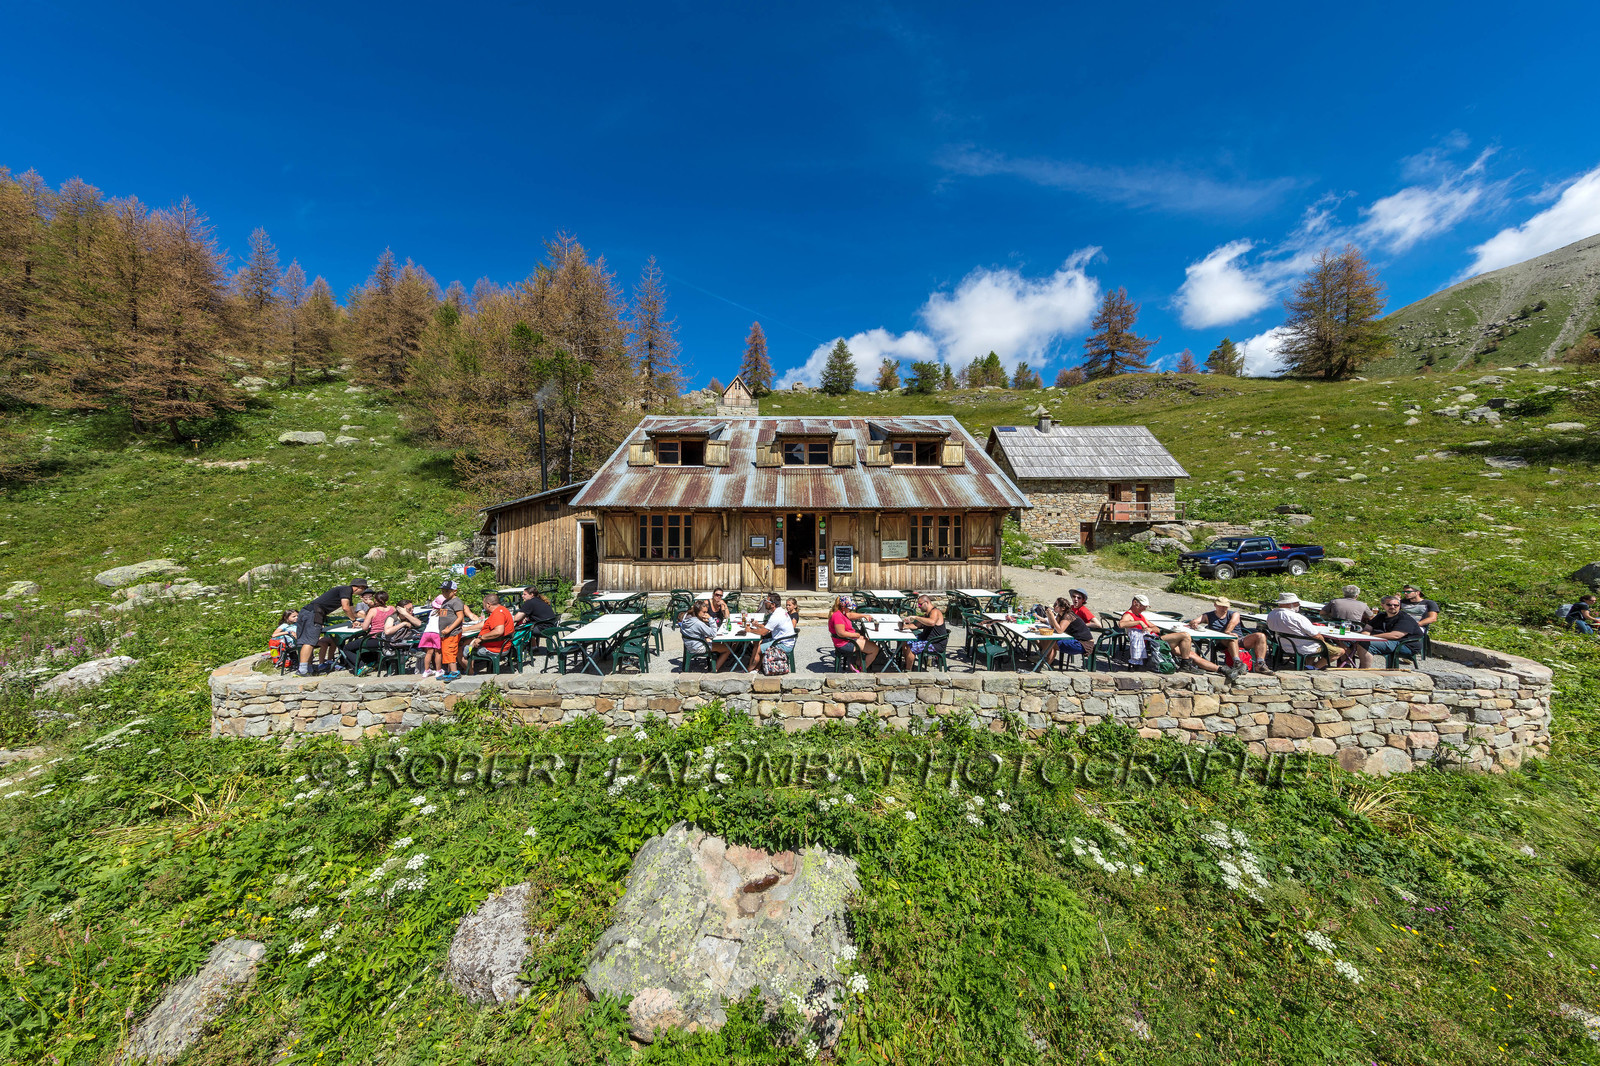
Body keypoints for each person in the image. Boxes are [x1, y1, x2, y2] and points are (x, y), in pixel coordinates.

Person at [294, 577, 368, 676]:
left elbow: (352, 611)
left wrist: (366, 617)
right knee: (310, 641)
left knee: (305, 641)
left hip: (307, 612)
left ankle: (308, 668)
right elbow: (345, 608)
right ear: (359, 587)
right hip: (314, 613)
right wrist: (354, 621)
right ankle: (303, 670)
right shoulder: (346, 590)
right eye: (363, 589)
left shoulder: (345, 593)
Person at [1188, 597, 1272, 675]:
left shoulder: (1234, 614)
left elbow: (1233, 623)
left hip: (1238, 638)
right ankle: (1237, 663)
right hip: (1221, 640)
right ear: (1215, 605)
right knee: (1232, 638)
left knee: (1260, 636)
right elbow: (1195, 621)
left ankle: (1260, 664)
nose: (1223, 609)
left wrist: (1228, 631)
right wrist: (1194, 623)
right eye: (1221, 606)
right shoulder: (1208, 615)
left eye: (1225, 607)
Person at [1351, 595, 1425, 668]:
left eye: (1396, 605)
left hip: (1405, 645)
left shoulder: (1405, 618)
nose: (1393, 607)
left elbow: (1395, 635)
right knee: (1348, 641)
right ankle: (1346, 664)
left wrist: (1370, 637)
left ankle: (1364, 670)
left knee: (1365, 643)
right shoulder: (1381, 616)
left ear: (1399, 606)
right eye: (1389, 605)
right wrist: (1365, 634)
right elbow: (1368, 628)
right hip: (1387, 641)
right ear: (1382, 605)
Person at [1265, 592, 1334, 669]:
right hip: (1304, 647)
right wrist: (1323, 641)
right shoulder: (1297, 617)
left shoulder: (1271, 614)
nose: (1298, 605)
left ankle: (1309, 666)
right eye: (1296, 603)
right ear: (1289, 604)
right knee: (1339, 651)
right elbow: (1316, 636)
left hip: (1284, 645)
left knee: (1313, 641)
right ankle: (1314, 668)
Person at [436, 580, 478, 681]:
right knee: (446, 652)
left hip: (452, 632)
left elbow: (459, 617)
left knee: (450, 651)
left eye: (447, 591)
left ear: (455, 591)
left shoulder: (456, 602)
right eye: (442, 591)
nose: (444, 593)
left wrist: (449, 628)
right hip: (444, 633)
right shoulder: (446, 601)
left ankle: (455, 672)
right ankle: (450, 671)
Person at [464, 592, 516, 672]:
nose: (483, 607)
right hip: (500, 645)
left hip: (495, 649)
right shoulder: (502, 609)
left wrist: (481, 638)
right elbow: (484, 623)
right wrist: (466, 629)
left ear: (488, 604)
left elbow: (498, 631)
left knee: (462, 649)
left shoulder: (498, 614)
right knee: (467, 641)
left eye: (484, 605)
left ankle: (469, 673)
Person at [745, 592, 796, 672]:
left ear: (773, 604)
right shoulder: (780, 611)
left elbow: (763, 632)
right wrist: (758, 625)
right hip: (784, 640)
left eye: (767, 601)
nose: (765, 602)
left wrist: (750, 630)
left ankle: (748, 670)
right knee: (757, 642)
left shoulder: (776, 616)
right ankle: (756, 668)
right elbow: (769, 626)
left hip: (784, 644)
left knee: (758, 648)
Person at [1037, 597, 1092, 668]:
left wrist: (1052, 617)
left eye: (1056, 604)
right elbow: (1052, 625)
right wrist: (1049, 616)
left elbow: (1059, 630)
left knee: (1051, 643)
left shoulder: (1068, 616)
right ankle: (1044, 660)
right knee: (1047, 640)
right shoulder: (1061, 615)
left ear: (1063, 608)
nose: (1053, 606)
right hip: (1075, 640)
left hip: (1083, 644)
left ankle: (1045, 662)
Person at [829, 595, 880, 672]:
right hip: (844, 644)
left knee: (867, 641)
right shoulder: (837, 616)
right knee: (875, 649)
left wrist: (864, 615)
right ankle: (860, 669)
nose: (850, 610)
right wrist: (856, 635)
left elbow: (851, 615)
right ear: (843, 607)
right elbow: (841, 633)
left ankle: (857, 663)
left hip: (846, 640)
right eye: (849, 608)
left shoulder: (842, 612)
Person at [900, 594, 948, 670]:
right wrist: (904, 626)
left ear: (927, 602)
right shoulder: (927, 614)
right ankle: (908, 664)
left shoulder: (935, 612)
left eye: (920, 604)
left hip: (935, 643)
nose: (919, 606)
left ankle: (908, 670)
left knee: (912, 647)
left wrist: (916, 617)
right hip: (927, 640)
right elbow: (916, 625)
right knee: (905, 641)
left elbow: (931, 622)